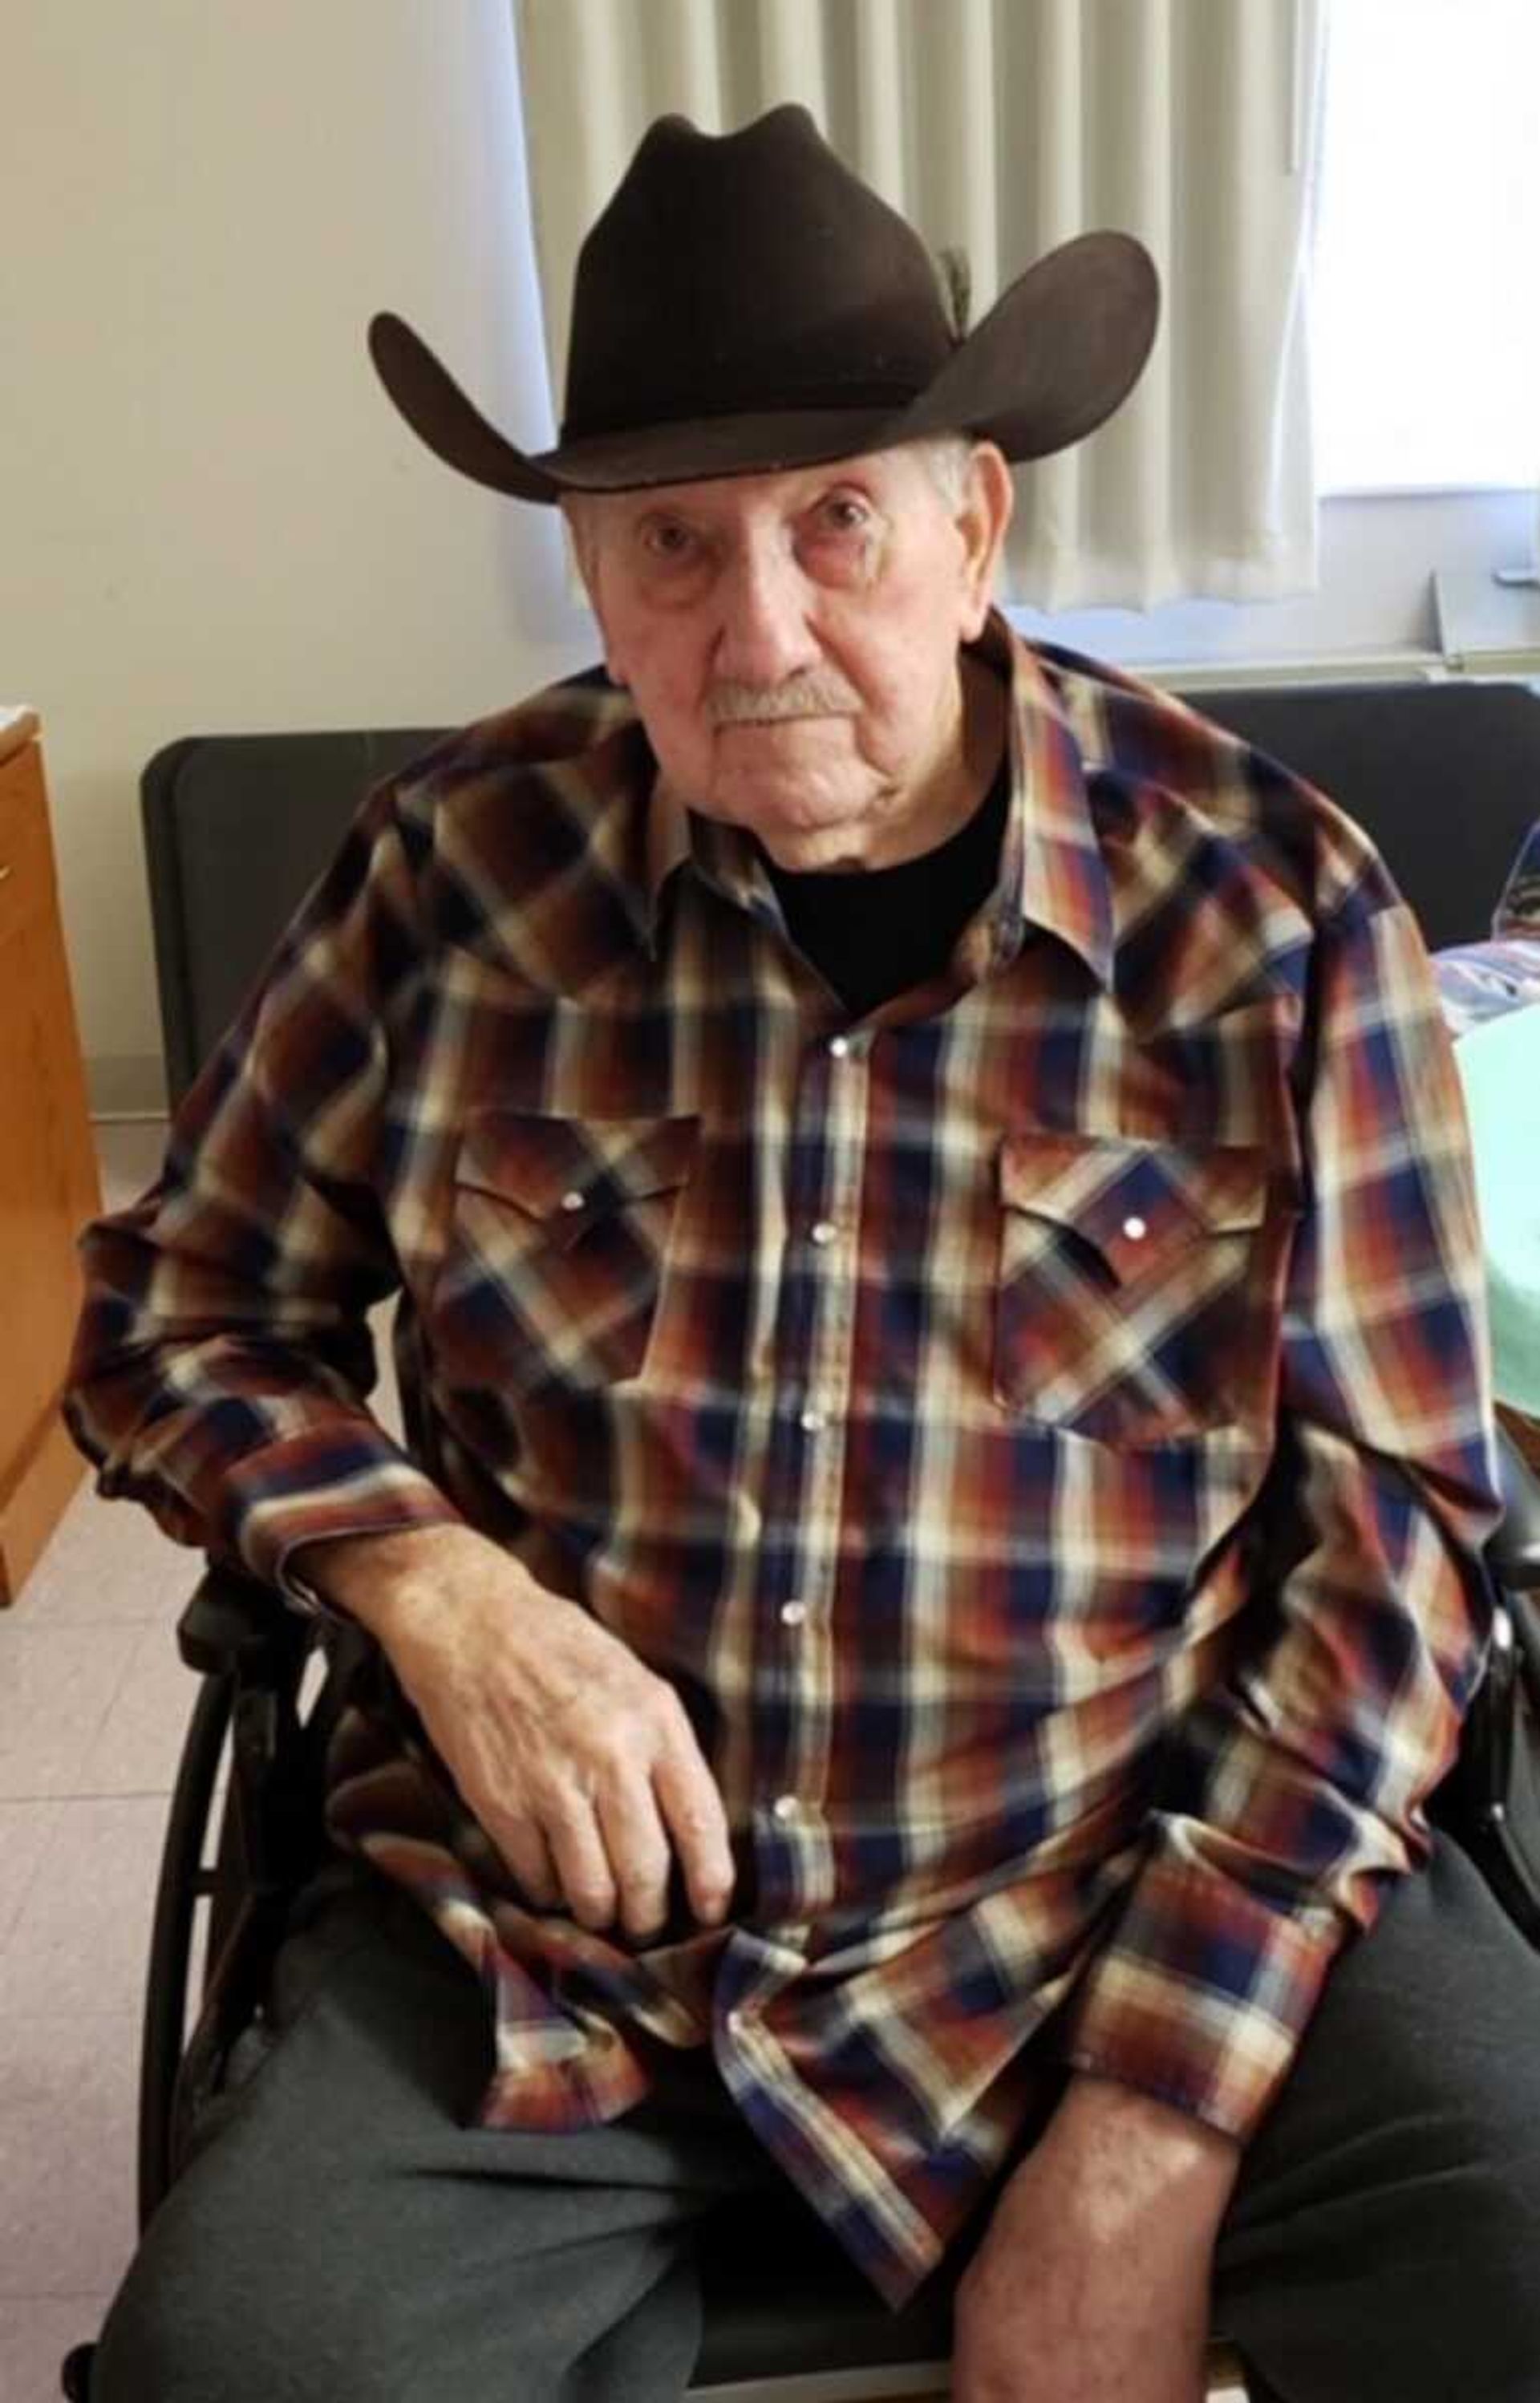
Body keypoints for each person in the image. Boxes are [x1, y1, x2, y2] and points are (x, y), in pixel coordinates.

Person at [66, 104, 1540, 2403]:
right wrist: (435, 1588)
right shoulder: (453, 876)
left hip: (1142, 1881)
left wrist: (1150, 2116)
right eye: (672, 541)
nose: (756, 630)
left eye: (836, 518)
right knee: (234, 2368)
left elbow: (1406, 1538)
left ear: (977, 526)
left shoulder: (1269, 908)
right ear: (590, 570)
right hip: (574, 1954)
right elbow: (176, 1305)